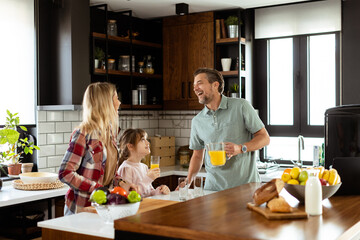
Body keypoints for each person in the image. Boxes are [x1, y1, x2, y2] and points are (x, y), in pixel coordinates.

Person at [59, 82, 137, 215]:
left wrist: (121, 182)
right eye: (116, 98)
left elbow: (107, 172)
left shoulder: (109, 133)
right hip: (81, 209)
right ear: (105, 103)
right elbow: (65, 173)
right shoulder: (83, 134)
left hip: (104, 207)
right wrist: (98, 189)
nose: (119, 102)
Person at [185, 67, 270, 191]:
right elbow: (197, 155)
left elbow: (264, 138)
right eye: (194, 85)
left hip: (245, 187)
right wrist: (187, 182)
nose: (195, 88)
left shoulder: (241, 106)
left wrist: (240, 148)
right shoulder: (197, 121)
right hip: (212, 190)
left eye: (200, 83)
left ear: (215, 85)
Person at [117, 128, 170, 197]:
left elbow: (149, 192)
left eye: (146, 139)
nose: (148, 143)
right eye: (142, 140)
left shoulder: (144, 167)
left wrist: (160, 191)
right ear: (130, 146)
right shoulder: (126, 168)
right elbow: (130, 195)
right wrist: (148, 179)